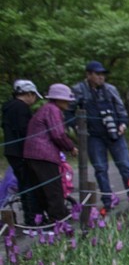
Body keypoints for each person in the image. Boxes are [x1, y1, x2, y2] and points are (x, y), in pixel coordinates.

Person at [71, 61, 129, 209]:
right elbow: (69, 112)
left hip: (115, 133)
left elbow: (121, 109)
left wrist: (123, 124)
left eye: (102, 74)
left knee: (125, 166)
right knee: (100, 169)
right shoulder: (79, 90)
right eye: (97, 74)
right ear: (88, 75)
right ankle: (108, 201)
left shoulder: (110, 89)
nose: (101, 77)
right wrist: (77, 128)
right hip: (93, 136)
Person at [23, 84, 77, 225]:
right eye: (65, 100)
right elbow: (58, 134)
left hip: (32, 155)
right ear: (57, 99)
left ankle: (49, 221)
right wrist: (71, 147)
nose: (68, 102)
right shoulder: (53, 110)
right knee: (54, 191)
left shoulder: (44, 109)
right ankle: (61, 222)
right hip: (44, 155)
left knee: (42, 191)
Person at [2, 80, 46, 224]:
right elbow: (25, 131)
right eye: (34, 96)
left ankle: (32, 217)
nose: (34, 100)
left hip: (12, 151)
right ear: (28, 94)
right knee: (29, 185)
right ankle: (33, 219)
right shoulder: (21, 108)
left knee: (24, 184)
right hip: (22, 152)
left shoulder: (8, 107)